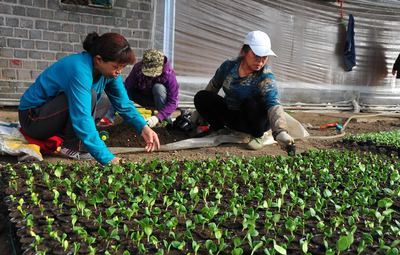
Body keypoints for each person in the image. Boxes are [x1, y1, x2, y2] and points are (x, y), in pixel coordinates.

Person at [18, 32, 160, 165]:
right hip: (32, 118)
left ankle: (70, 142)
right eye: (116, 67)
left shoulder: (110, 74)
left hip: (51, 117)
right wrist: (108, 158)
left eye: (122, 67)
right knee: (90, 96)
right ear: (99, 60)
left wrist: (144, 128)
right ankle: (71, 146)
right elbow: (82, 117)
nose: (119, 72)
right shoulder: (79, 69)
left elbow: (124, 104)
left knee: (104, 100)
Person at [191, 30, 294, 150]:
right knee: (202, 96)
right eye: (256, 55)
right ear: (244, 51)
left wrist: (281, 131)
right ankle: (221, 129)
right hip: (234, 116)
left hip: (256, 121)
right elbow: (213, 86)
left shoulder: (266, 76)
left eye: (264, 57)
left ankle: (257, 136)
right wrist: (199, 112)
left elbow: (273, 103)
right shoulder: (229, 66)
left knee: (251, 103)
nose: (260, 61)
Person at [100, 49, 179, 128]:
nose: (151, 76)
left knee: (158, 88)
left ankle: (166, 122)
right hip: (141, 96)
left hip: (158, 101)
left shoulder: (168, 74)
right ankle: (108, 118)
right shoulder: (138, 68)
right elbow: (128, 87)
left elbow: (173, 102)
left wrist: (157, 117)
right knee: (122, 88)